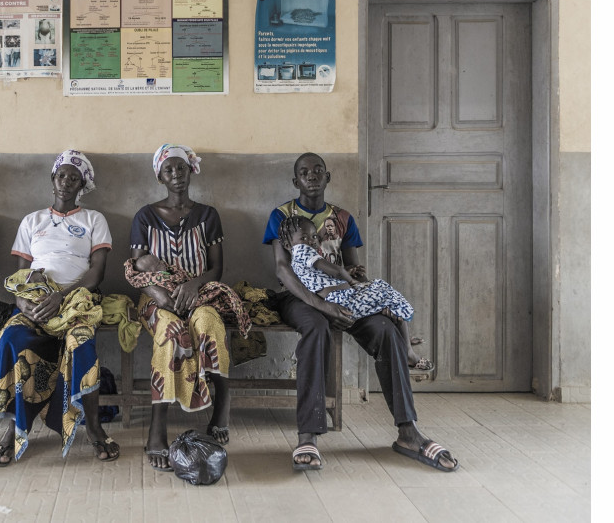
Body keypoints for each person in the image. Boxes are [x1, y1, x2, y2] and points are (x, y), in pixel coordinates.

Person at [262, 152, 459, 472]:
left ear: (328, 177)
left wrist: (362, 291)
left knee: (384, 327)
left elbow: (353, 269)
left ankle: (408, 431)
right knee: (316, 327)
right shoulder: (281, 215)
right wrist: (323, 305)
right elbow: (284, 271)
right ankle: (307, 435)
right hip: (299, 297)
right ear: (295, 181)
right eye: (303, 172)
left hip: (341, 296)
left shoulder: (343, 217)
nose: (311, 176)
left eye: (317, 171)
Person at [0, 149, 120, 467]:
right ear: (53, 180)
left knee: (81, 343)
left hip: (76, 300)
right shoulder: (32, 221)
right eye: (62, 175)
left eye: (74, 178)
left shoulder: (93, 220)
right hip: (35, 299)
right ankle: (13, 428)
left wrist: (62, 297)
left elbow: (97, 272)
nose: (66, 182)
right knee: (10, 340)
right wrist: (22, 301)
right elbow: (20, 274)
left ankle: (94, 429)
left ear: (81, 185)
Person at [129, 144, 231, 472]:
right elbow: (135, 268)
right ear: (160, 175)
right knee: (171, 332)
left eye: (181, 168)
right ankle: (157, 428)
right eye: (169, 170)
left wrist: (194, 285)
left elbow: (217, 268)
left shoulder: (208, 216)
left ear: (191, 172)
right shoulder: (145, 216)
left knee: (209, 325)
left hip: (200, 293)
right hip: (157, 297)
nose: (176, 175)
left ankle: (222, 406)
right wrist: (158, 294)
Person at [277, 215, 432, 370]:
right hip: (346, 300)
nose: (310, 241)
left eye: (313, 236)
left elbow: (321, 279)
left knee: (383, 301)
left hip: (339, 300)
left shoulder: (296, 261)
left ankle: (403, 339)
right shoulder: (305, 251)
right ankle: (409, 352)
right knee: (388, 293)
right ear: (287, 244)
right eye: (304, 237)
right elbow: (336, 271)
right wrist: (351, 280)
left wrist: (346, 272)